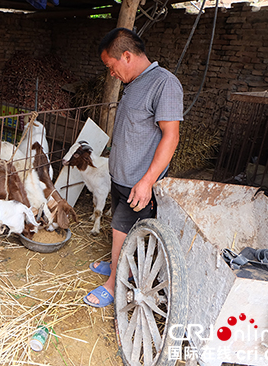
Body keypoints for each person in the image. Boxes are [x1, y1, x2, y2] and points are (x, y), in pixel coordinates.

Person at [83, 27, 183, 307]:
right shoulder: (135, 83)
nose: (111, 73)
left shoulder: (165, 83)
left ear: (126, 56)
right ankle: (117, 264)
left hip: (138, 181)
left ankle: (114, 283)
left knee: (123, 230)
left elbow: (171, 136)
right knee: (119, 227)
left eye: (110, 66)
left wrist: (147, 181)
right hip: (121, 175)